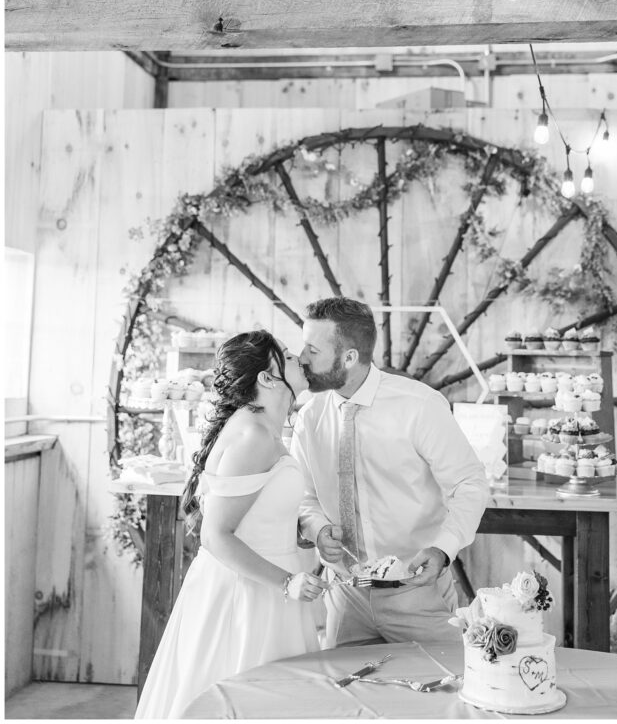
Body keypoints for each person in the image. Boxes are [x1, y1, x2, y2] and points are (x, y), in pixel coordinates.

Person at [135, 330, 327, 719]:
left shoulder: (264, 428)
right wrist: (287, 582)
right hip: (248, 596)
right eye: (288, 355)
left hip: (269, 586)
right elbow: (215, 536)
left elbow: (257, 516)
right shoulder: (253, 435)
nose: (300, 359)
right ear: (267, 377)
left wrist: (307, 532)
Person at [290, 297, 489, 648]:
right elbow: (304, 497)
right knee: (346, 699)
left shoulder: (420, 406)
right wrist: (318, 530)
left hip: (417, 592)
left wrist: (443, 550)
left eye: (312, 350)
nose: (302, 358)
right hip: (345, 596)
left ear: (349, 358)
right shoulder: (309, 418)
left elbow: (469, 484)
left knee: (444, 693)